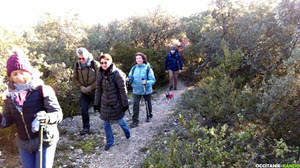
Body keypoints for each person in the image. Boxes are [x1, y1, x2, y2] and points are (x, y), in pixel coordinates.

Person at [0, 50, 63, 168]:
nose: (19, 77)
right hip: (24, 143)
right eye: (15, 74)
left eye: (22, 72)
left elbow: (58, 114)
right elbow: (6, 121)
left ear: (28, 72)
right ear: (11, 77)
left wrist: (47, 117)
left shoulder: (42, 89)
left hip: (44, 140)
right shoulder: (9, 96)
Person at [94, 53, 130, 151]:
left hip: (116, 103)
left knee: (120, 121)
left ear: (111, 62)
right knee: (106, 123)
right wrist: (96, 103)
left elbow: (123, 90)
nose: (104, 64)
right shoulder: (100, 73)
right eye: (102, 63)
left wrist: (125, 104)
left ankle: (127, 131)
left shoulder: (117, 73)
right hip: (105, 103)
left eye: (106, 62)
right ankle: (110, 141)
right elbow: (98, 89)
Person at [72, 47, 100, 135]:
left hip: (95, 90)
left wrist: (91, 87)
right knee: (83, 109)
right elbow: (74, 79)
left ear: (87, 56)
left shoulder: (95, 64)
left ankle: (109, 120)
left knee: (100, 107)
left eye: (83, 58)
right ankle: (86, 127)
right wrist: (81, 88)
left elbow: (100, 78)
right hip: (84, 91)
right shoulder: (77, 65)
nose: (81, 60)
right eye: (79, 58)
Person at [127, 52, 156, 128]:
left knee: (148, 103)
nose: (138, 59)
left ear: (143, 59)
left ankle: (149, 115)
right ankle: (135, 120)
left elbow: (153, 80)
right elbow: (130, 78)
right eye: (137, 58)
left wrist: (146, 82)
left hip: (146, 90)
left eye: (140, 58)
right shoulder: (133, 68)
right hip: (136, 90)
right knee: (135, 105)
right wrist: (128, 79)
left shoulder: (148, 68)